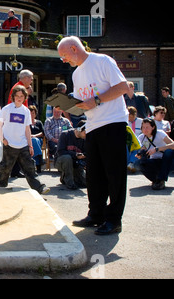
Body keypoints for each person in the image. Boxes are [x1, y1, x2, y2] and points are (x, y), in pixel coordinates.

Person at [58, 36, 130, 235]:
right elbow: (83, 104)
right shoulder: (76, 74)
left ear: (74, 48)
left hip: (113, 122)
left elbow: (123, 88)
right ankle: (96, 214)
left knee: (114, 174)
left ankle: (114, 220)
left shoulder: (103, 61)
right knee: (94, 174)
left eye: (64, 55)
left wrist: (96, 100)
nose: (63, 60)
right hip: (91, 125)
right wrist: (67, 104)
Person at [0, 85, 50, 195]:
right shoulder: (6, 109)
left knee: (30, 168)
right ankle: (0, 187)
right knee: (5, 168)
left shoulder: (26, 111)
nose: (19, 98)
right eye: (17, 96)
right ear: (13, 97)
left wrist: (30, 145)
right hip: (9, 144)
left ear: (25, 97)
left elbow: (27, 129)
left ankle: (39, 188)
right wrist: (3, 139)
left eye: (22, 96)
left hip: (23, 145)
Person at [136, 118, 174, 190]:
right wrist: (140, 155)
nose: (145, 129)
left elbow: (173, 145)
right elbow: (142, 150)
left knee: (168, 151)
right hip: (154, 161)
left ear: (153, 127)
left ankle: (161, 179)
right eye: (143, 127)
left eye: (147, 127)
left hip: (168, 161)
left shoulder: (159, 133)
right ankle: (157, 180)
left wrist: (157, 149)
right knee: (139, 163)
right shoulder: (142, 137)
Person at [55, 120, 87, 190]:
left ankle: (65, 177)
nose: (86, 134)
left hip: (76, 163)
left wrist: (84, 157)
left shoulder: (84, 139)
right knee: (67, 158)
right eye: (85, 132)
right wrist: (75, 154)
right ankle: (70, 183)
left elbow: (86, 152)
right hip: (61, 161)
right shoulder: (65, 134)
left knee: (85, 183)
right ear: (79, 129)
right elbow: (60, 151)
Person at [127, 106, 143, 172]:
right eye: (129, 117)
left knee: (138, 147)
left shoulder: (141, 121)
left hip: (139, 141)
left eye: (132, 117)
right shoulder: (125, 122)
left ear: (135, 115)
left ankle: (131, 163)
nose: (130, 119)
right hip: (129, 141)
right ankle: (130, 164)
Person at [29, 105, 44, 173]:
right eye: (30, 113)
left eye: (33, 113)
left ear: (35, 114)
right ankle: (39, 162)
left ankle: (35, 163)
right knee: (34, 141)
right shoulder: (26, 123)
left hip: (38, 140)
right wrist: (31, 136)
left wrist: (35, 135)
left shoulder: (39, 122)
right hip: (28, 141)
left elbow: (43, 133)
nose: (31, 115)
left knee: (35, 141)